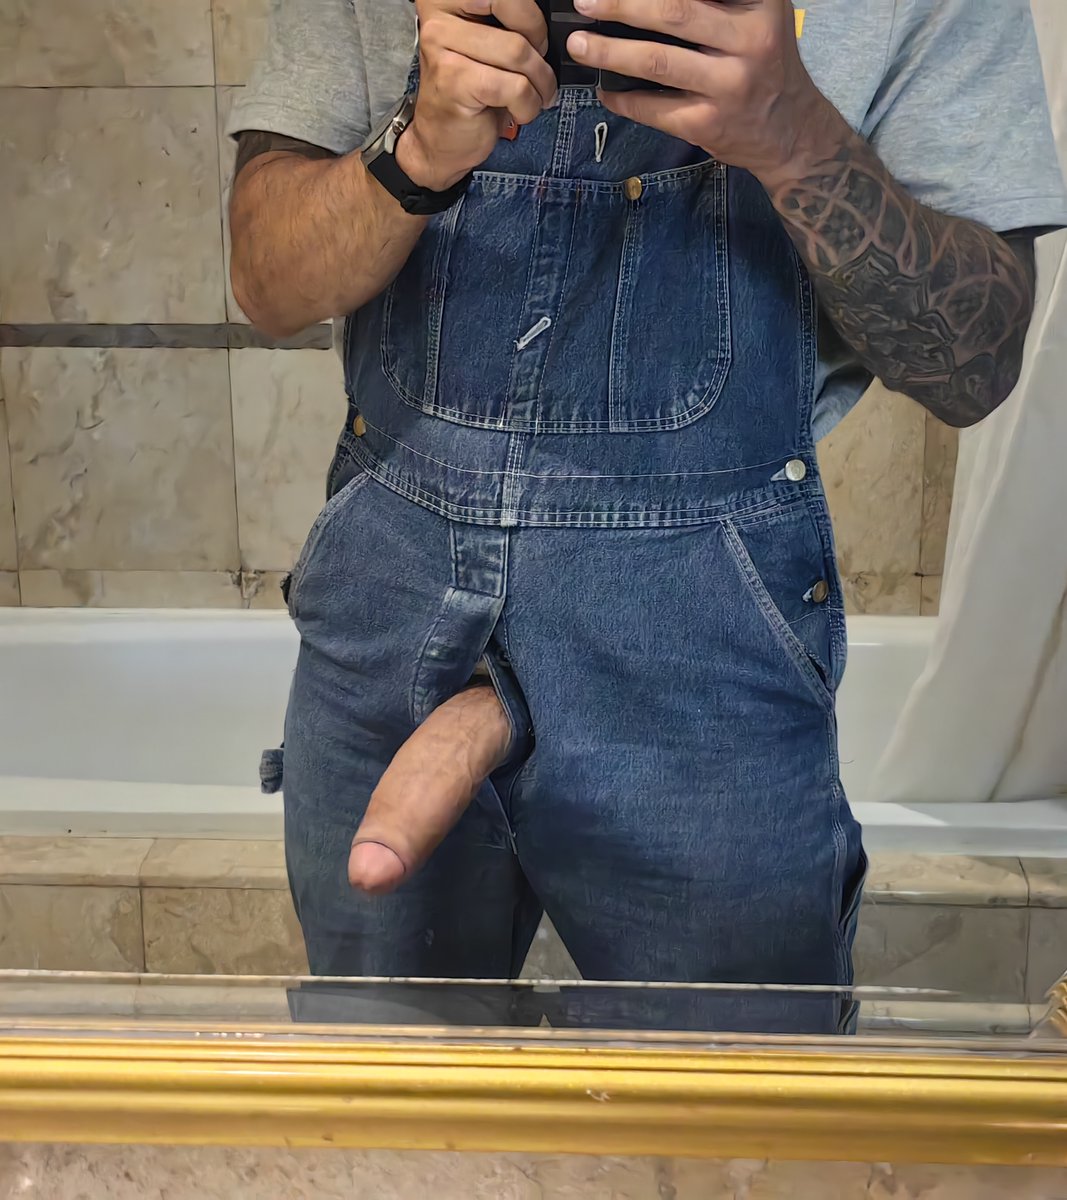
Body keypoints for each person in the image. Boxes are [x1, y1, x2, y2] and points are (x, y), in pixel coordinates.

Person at [229, 0, 1066, 1032]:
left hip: (699, 650)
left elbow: (973, 366)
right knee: (387, 1103)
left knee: (735, 1106)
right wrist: (413, 152)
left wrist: (792, 134)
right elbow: (266, 284)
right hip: (389, 618)